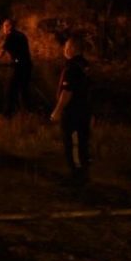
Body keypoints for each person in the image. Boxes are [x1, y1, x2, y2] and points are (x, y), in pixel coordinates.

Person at [50, 37, 92, 183]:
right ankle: (82, 172)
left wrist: (57, 111)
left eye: (67, 46)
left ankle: (77, 174)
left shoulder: (72, 67)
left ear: (73, 48)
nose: (64, 49)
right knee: (82, 142)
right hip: (84, 110)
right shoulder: (85, 65)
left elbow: (67, 92)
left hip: (73, 112)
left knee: (72, 143)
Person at [0, 18, 33, 116]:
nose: (3, 28)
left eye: (5, 26)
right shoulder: (22, 35)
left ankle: (8, 115)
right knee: (24, 91)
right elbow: (20, 52)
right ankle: (27, 113)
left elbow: (1, 53)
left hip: (19, 67)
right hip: (28, 66)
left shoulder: (10, 36)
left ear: (10, 26)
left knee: (9, 91)